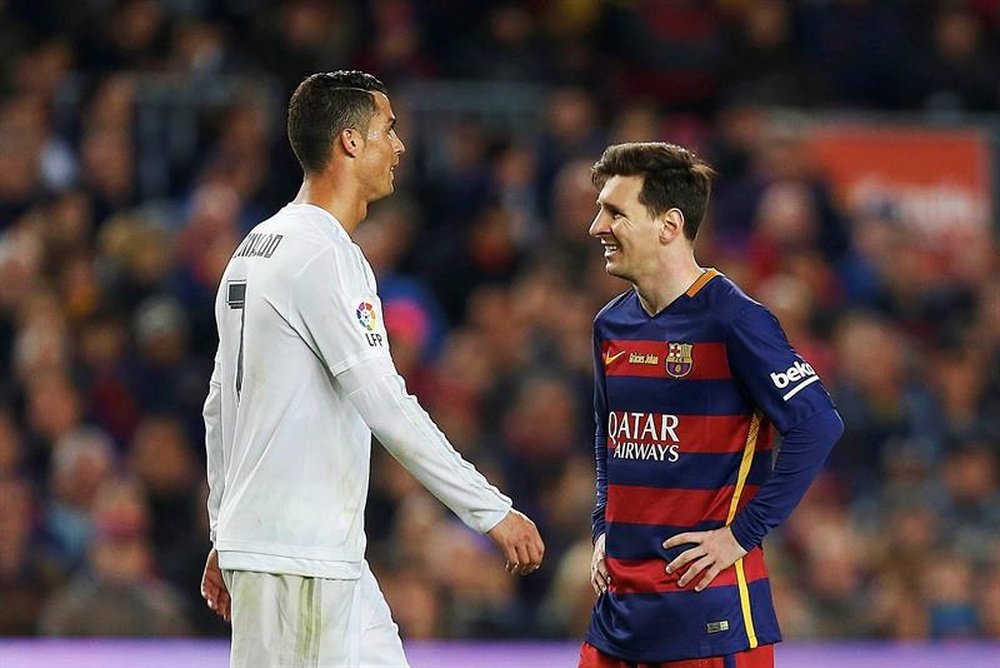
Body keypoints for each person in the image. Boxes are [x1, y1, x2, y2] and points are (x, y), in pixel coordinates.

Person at [199, 70, 544, 667]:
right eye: (389, 129)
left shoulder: (256, 246)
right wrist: (490, 510)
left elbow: (219, 406)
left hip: (319, 554)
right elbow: (385, 401)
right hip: (298, 555)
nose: (400, 146)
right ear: (351, 143)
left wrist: (226, 527)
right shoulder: (325, 256)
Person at [581, 143, 843, 668]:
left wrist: (742, 536)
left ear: (669, 225)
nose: (596, 227)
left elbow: (819, 424)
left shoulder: (734, 319)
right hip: (620, 614)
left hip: (709, 618)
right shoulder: (611, 325)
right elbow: (611, 436)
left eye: (614, 212)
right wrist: (602, 526)